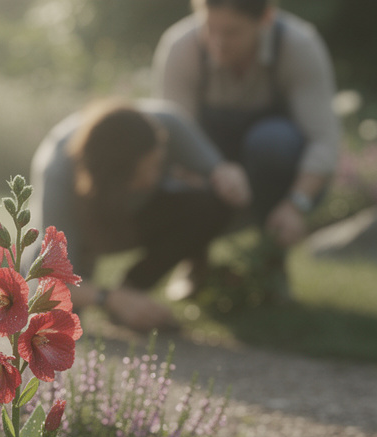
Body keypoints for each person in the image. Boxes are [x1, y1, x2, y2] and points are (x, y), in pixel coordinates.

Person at [153, 0, 341, 300]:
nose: (218, 43)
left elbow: (324, 141)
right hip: (207, 163)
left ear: (265, 18)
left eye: (232, 32)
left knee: (274, 141)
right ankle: (194, 260)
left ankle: (271, 263)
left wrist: (297, 204)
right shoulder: (181, 47)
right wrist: (205, 175)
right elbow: (176, 138)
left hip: (276, 165)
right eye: (210, 29)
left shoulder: (299, 45)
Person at [25, 98, 250, 332]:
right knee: (55, 316)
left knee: (211, 204)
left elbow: (222, 173)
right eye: (142, 173)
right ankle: (122, 299)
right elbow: (48, 282)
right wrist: (110, 298)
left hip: (140, 216)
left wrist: (230, 179)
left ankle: (134, 288)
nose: (154, 179)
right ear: (114, 176)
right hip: (84, 231)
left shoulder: (167, 124)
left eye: (157, 165)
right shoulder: (58, 173)